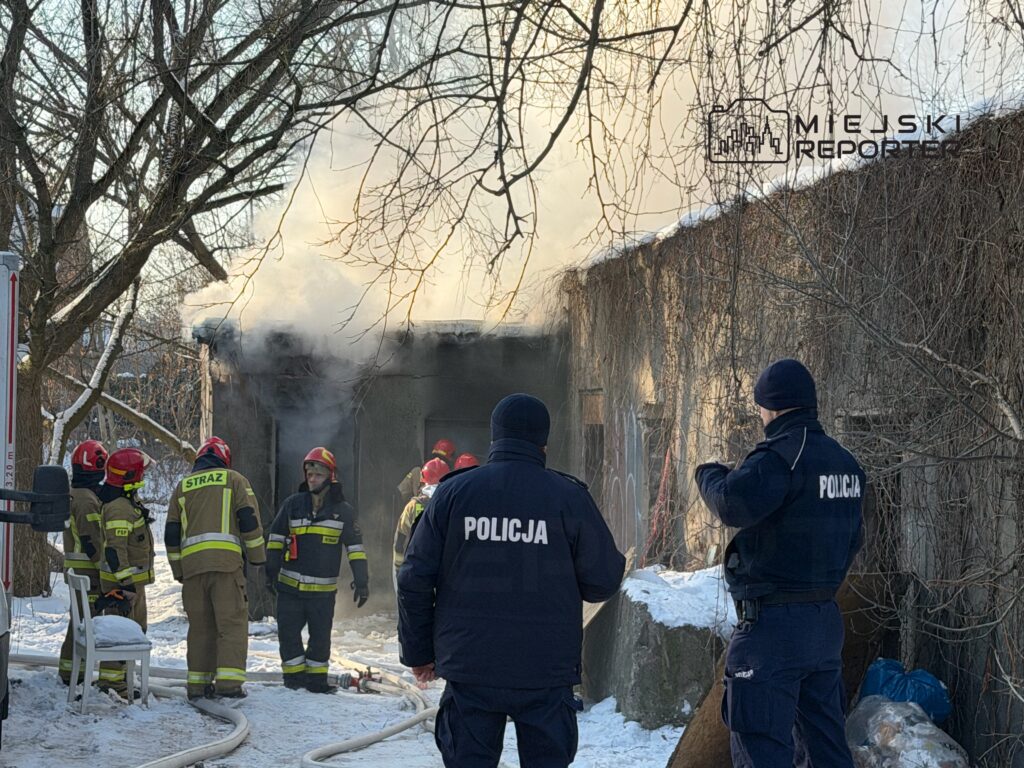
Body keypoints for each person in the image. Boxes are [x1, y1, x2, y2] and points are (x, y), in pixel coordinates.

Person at [398, 393, 626, 768]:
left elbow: (414, 579)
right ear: (544, 443)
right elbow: (603, 581)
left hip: (469, 667)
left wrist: (419, 653)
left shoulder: (452, 494)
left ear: (493, 438)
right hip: (545, 671)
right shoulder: (569, 498)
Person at [695, 359, 865, 768]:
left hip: (772, 630)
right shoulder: (846, 463)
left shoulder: (781, 455)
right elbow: (855, 539)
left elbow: (731, 501)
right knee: (827, 748)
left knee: (762, 749)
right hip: (823, 623)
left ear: (768, 408)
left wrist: (708, 472)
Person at [166, 436, 266, 700]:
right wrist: (257, 557)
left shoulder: (182, 487)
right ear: (224, 460)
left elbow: (171, 534)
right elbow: (248, 520)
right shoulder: (234, 480)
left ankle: (197, 686)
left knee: (200, 628)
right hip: (225, 567)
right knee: (230, 625)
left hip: (193, 571)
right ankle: (229, 685)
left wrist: (179, 570)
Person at [265, 447, 369, 693]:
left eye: (318, 475)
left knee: (320, 639)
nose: (312, 479)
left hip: (322, 593)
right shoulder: (292, 505)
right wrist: (270, 572)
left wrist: (362, 581)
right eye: (309, 474)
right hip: (290, 589)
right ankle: (293, 680)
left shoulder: (343, 511)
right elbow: (275, 540)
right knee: (288, 636)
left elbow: (355, 549)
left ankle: (316, 681)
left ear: (330, 476)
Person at [96, 447, 156, 698]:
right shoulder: (119, 507)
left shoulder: (126, 502)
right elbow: (114, 550)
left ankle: (121, 681)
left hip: (130, 583)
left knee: (134, 631)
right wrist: (126, 584)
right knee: (120, 636)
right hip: (123, 585)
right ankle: (113, 684)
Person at [58, 440, 108, 685]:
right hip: (88, 572)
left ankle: (71, 671)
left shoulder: (75, 493)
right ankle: (72, 674)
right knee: (84, 625)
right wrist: (107, 570)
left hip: (78, 570)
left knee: (78, 622)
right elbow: (93, 541)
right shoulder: (87, 499)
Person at [392, 457, 451, 592]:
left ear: (423, 480)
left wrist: (398, 568)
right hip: (445, 574)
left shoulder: (413, 506)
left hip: (416, 569)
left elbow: (400, 541)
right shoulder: (453, 503)